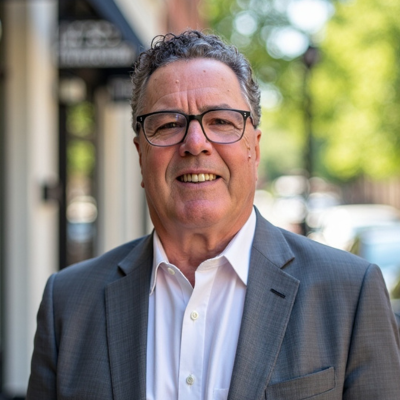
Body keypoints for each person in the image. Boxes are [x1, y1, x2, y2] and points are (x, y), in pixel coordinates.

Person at [27, 30, 400, 400]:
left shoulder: (349, 293)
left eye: (221, 121)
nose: (195, 143)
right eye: (169, 124)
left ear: (254, 149)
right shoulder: (69, 304)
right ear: (140, 154)